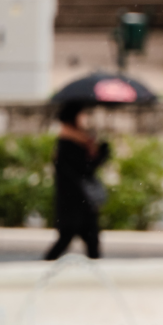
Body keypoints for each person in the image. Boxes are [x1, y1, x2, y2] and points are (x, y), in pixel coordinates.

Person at [44, 103, 110, 261]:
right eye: (81, 115)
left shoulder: (80, 140)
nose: (84, 119)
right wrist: (103, 153)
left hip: (80, 202)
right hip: (73, 202)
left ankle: (97, 277)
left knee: (90, 240)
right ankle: (40, 273)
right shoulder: (67, 142)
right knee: (68, 239)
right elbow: (84, 169)